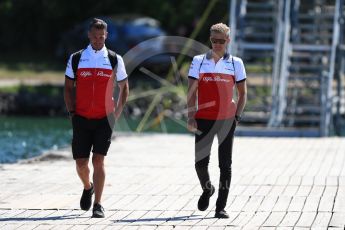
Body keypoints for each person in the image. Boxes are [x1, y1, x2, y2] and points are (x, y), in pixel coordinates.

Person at [64, 18, 129, 218]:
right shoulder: (76, 58)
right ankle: (87, 186)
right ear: (89, 36)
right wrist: (72, 112)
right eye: (94, 37)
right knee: (81, 163)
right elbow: (68, 88)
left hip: (104, 118)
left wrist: (116, 113)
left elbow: (124, 88)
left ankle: (98, 204)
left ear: (106, 36)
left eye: (101, 37)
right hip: (81, 117)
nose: (98, 40)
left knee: (99, 160)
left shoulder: (114, 58)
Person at [187, 23, 247, 218]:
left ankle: (221, 207)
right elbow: (191, 91)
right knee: (200, 163)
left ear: (228, 40)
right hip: (203, 118)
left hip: (226, 120)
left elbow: (242, 93)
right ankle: (207, 189)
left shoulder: (236, 63)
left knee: (225, 165)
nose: (217, 44)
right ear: (210, 39)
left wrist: (236, 116)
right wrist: (190, 115)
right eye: (214, 40)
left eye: (221, 41)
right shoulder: (198, 61)